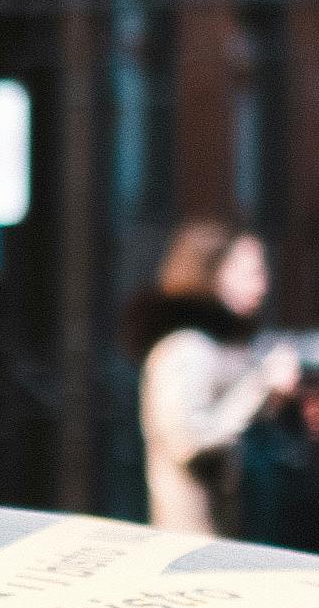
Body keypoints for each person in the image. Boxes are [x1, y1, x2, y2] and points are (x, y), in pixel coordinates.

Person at [127, 220, 300, 540]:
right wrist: (260, 386)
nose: (262, 285)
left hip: (234, 540)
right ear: (211, 273)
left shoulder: (226, 349)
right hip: (196, 544)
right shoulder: (184, 349)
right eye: (249, 272)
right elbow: (190, 441)